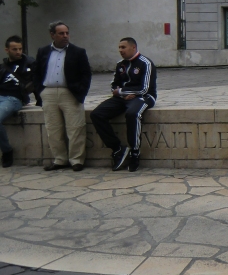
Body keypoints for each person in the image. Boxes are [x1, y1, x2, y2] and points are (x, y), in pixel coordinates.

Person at [90, 37, 157, 172]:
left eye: (123, 47)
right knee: (96, 114)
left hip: (144, 97)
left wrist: (123, 91)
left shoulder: (146, 63)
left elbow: (144, 88)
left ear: (133, 47)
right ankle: (118, 149)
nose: (120, 50)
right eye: (119, 48)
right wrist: (122, 93)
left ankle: (135, 153)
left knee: (132, 114)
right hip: (123, 97)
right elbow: (114, 85)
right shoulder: (120, 64)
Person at [34, 22, 92, 172]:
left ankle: (76, 160)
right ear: (52, 35)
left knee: (75, 128)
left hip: (70, 93)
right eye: (61, 33)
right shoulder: (43, 51)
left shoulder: (78, 52)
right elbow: (36, 73)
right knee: (53, 129)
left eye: (67, 33)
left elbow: (86, 74)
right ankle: (60, 159)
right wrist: (40, 91)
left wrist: (81, 92)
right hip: (49, 93)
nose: (65, 36)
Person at [0, 36, 36, 168]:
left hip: (13, 98)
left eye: (20, 49)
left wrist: (40, 101)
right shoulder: (3, 67)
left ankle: (7, 151)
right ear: (7, 50)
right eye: (14, 49)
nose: (18, 52)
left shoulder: (29, 64)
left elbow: (36, 82)